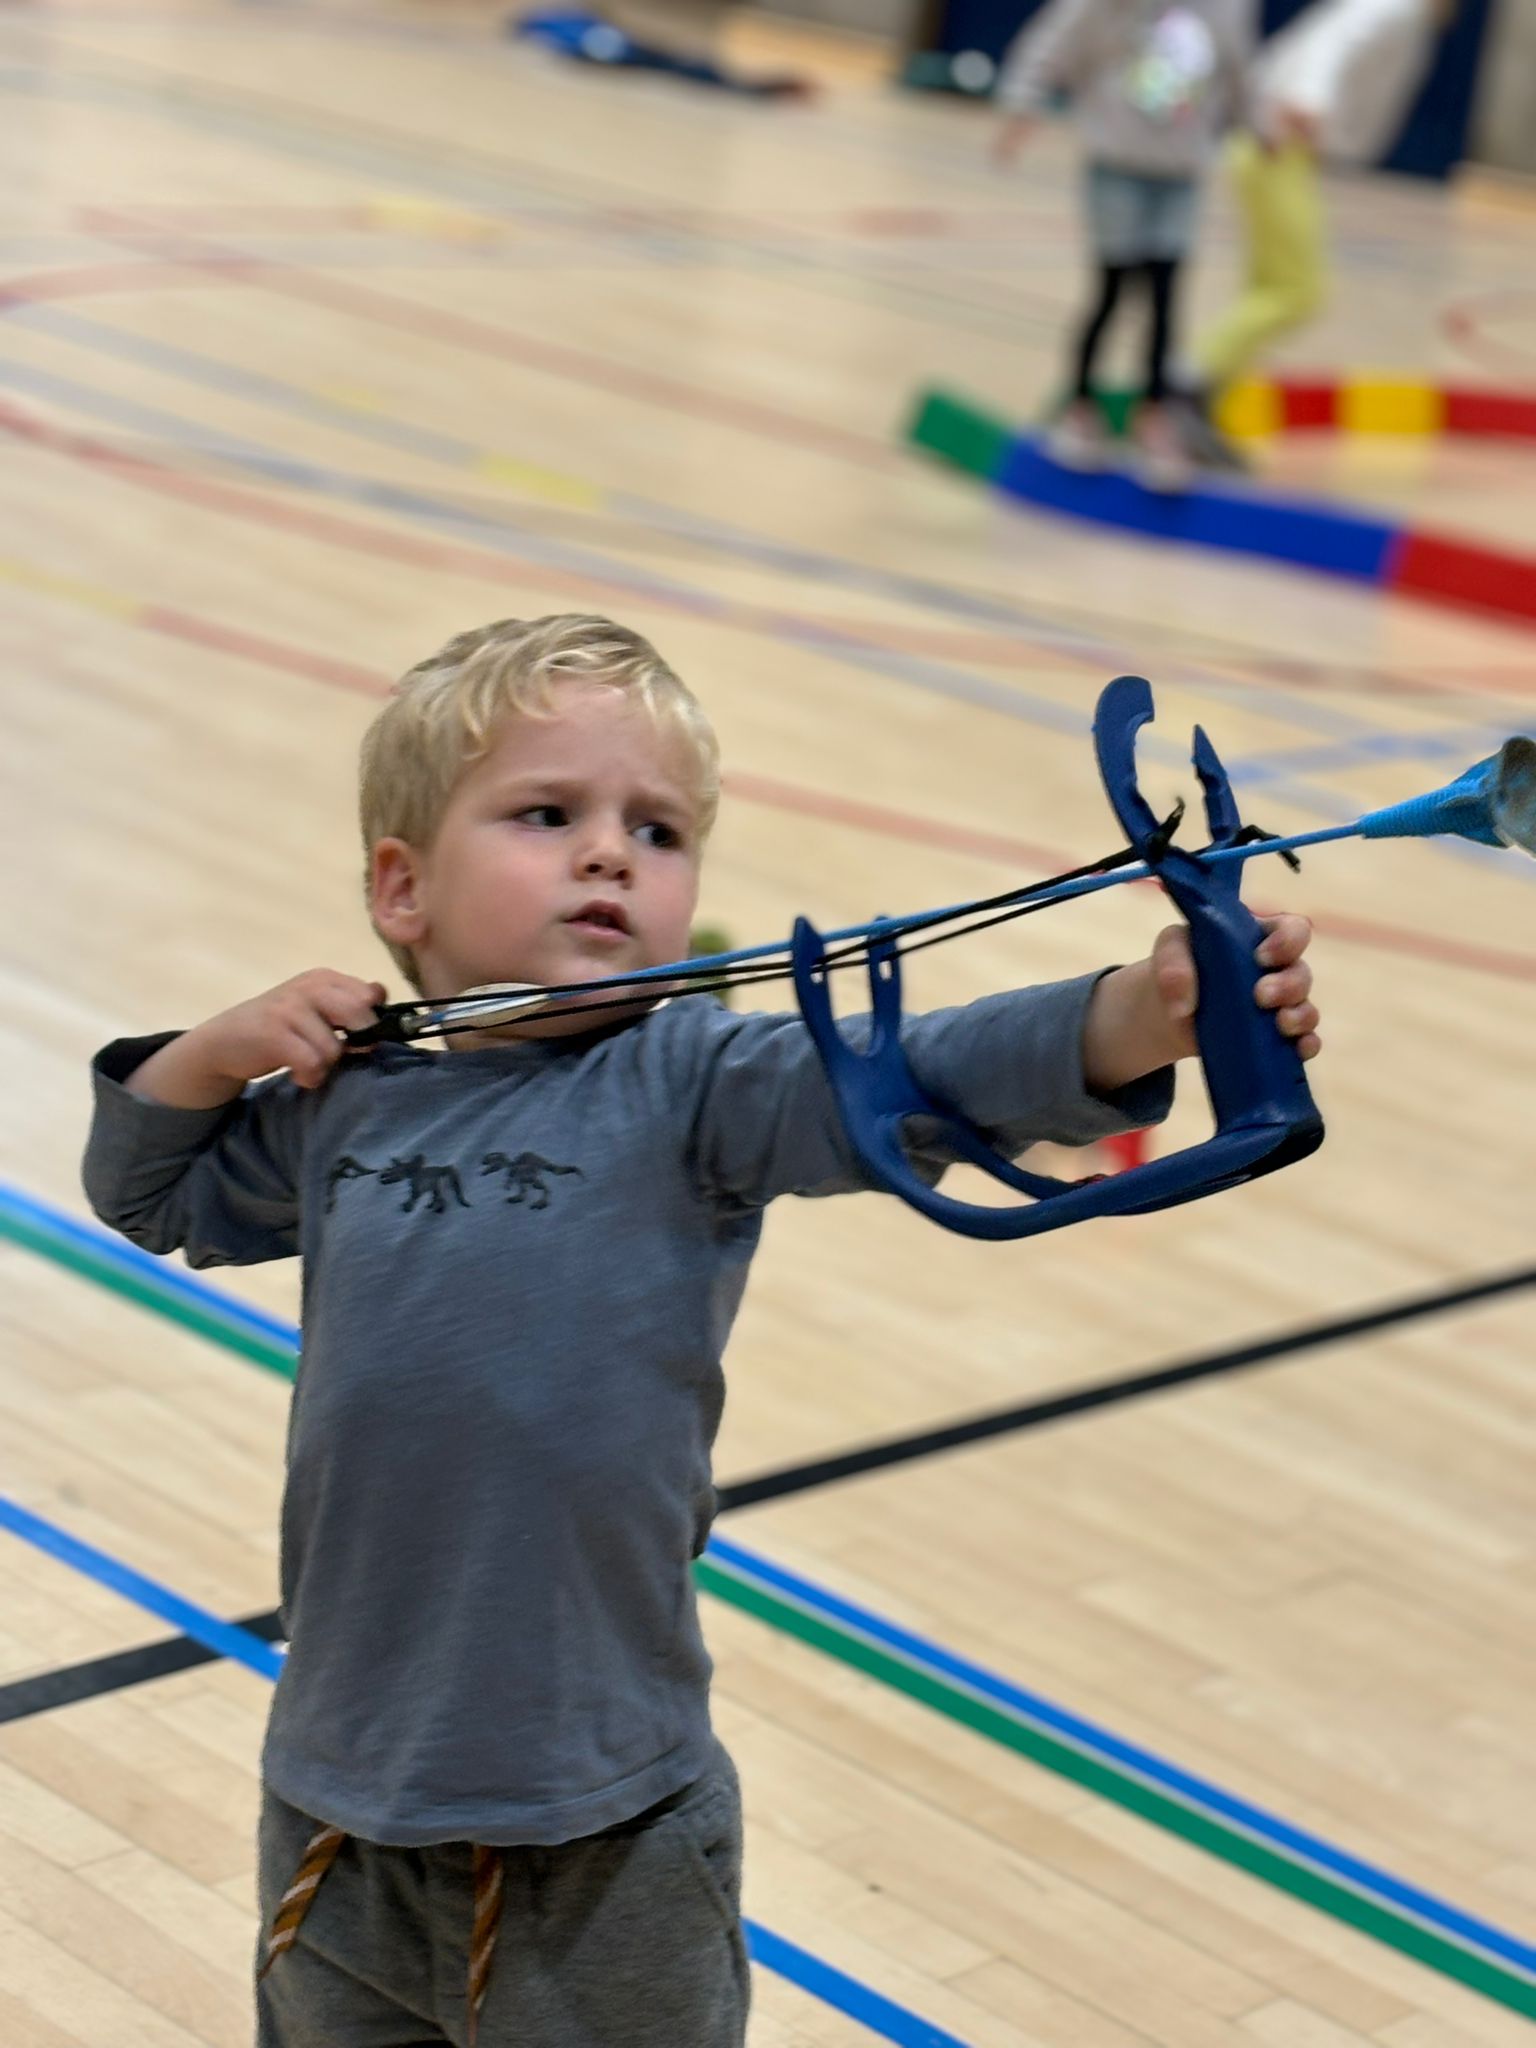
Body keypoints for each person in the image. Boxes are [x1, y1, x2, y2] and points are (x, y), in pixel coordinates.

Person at [81, 612, 1321, 2048]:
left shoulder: (697, 1082)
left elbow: (927, 1069)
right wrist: (222, 1045)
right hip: (339, 1805)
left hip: (609, 1829)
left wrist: (1150, 1011)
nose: (611, 853)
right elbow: (146, 1187)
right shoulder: (349, 1097)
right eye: (549, 814)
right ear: (401, 887)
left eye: (658, 832)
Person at [992, 0, 1254, 489]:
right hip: (1116, 167)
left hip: (1180, 175)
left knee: (1164, 296)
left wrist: (1259, 128)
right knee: (1112, 292)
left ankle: (1154, 419)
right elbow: (1052, 45)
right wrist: (1021, 105)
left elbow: (1239, 70)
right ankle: (1081, 406)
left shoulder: (1226, 8)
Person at [1180, 0, 1449, 466]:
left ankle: (1203, 404)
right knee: (1297, 291)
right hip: (1280, 141)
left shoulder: (1408, 14)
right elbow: (1335, 41)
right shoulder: (1396, 7)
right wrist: (1308, 100)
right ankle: (1184, 388)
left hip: (1276, 142)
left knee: (1267, 287)